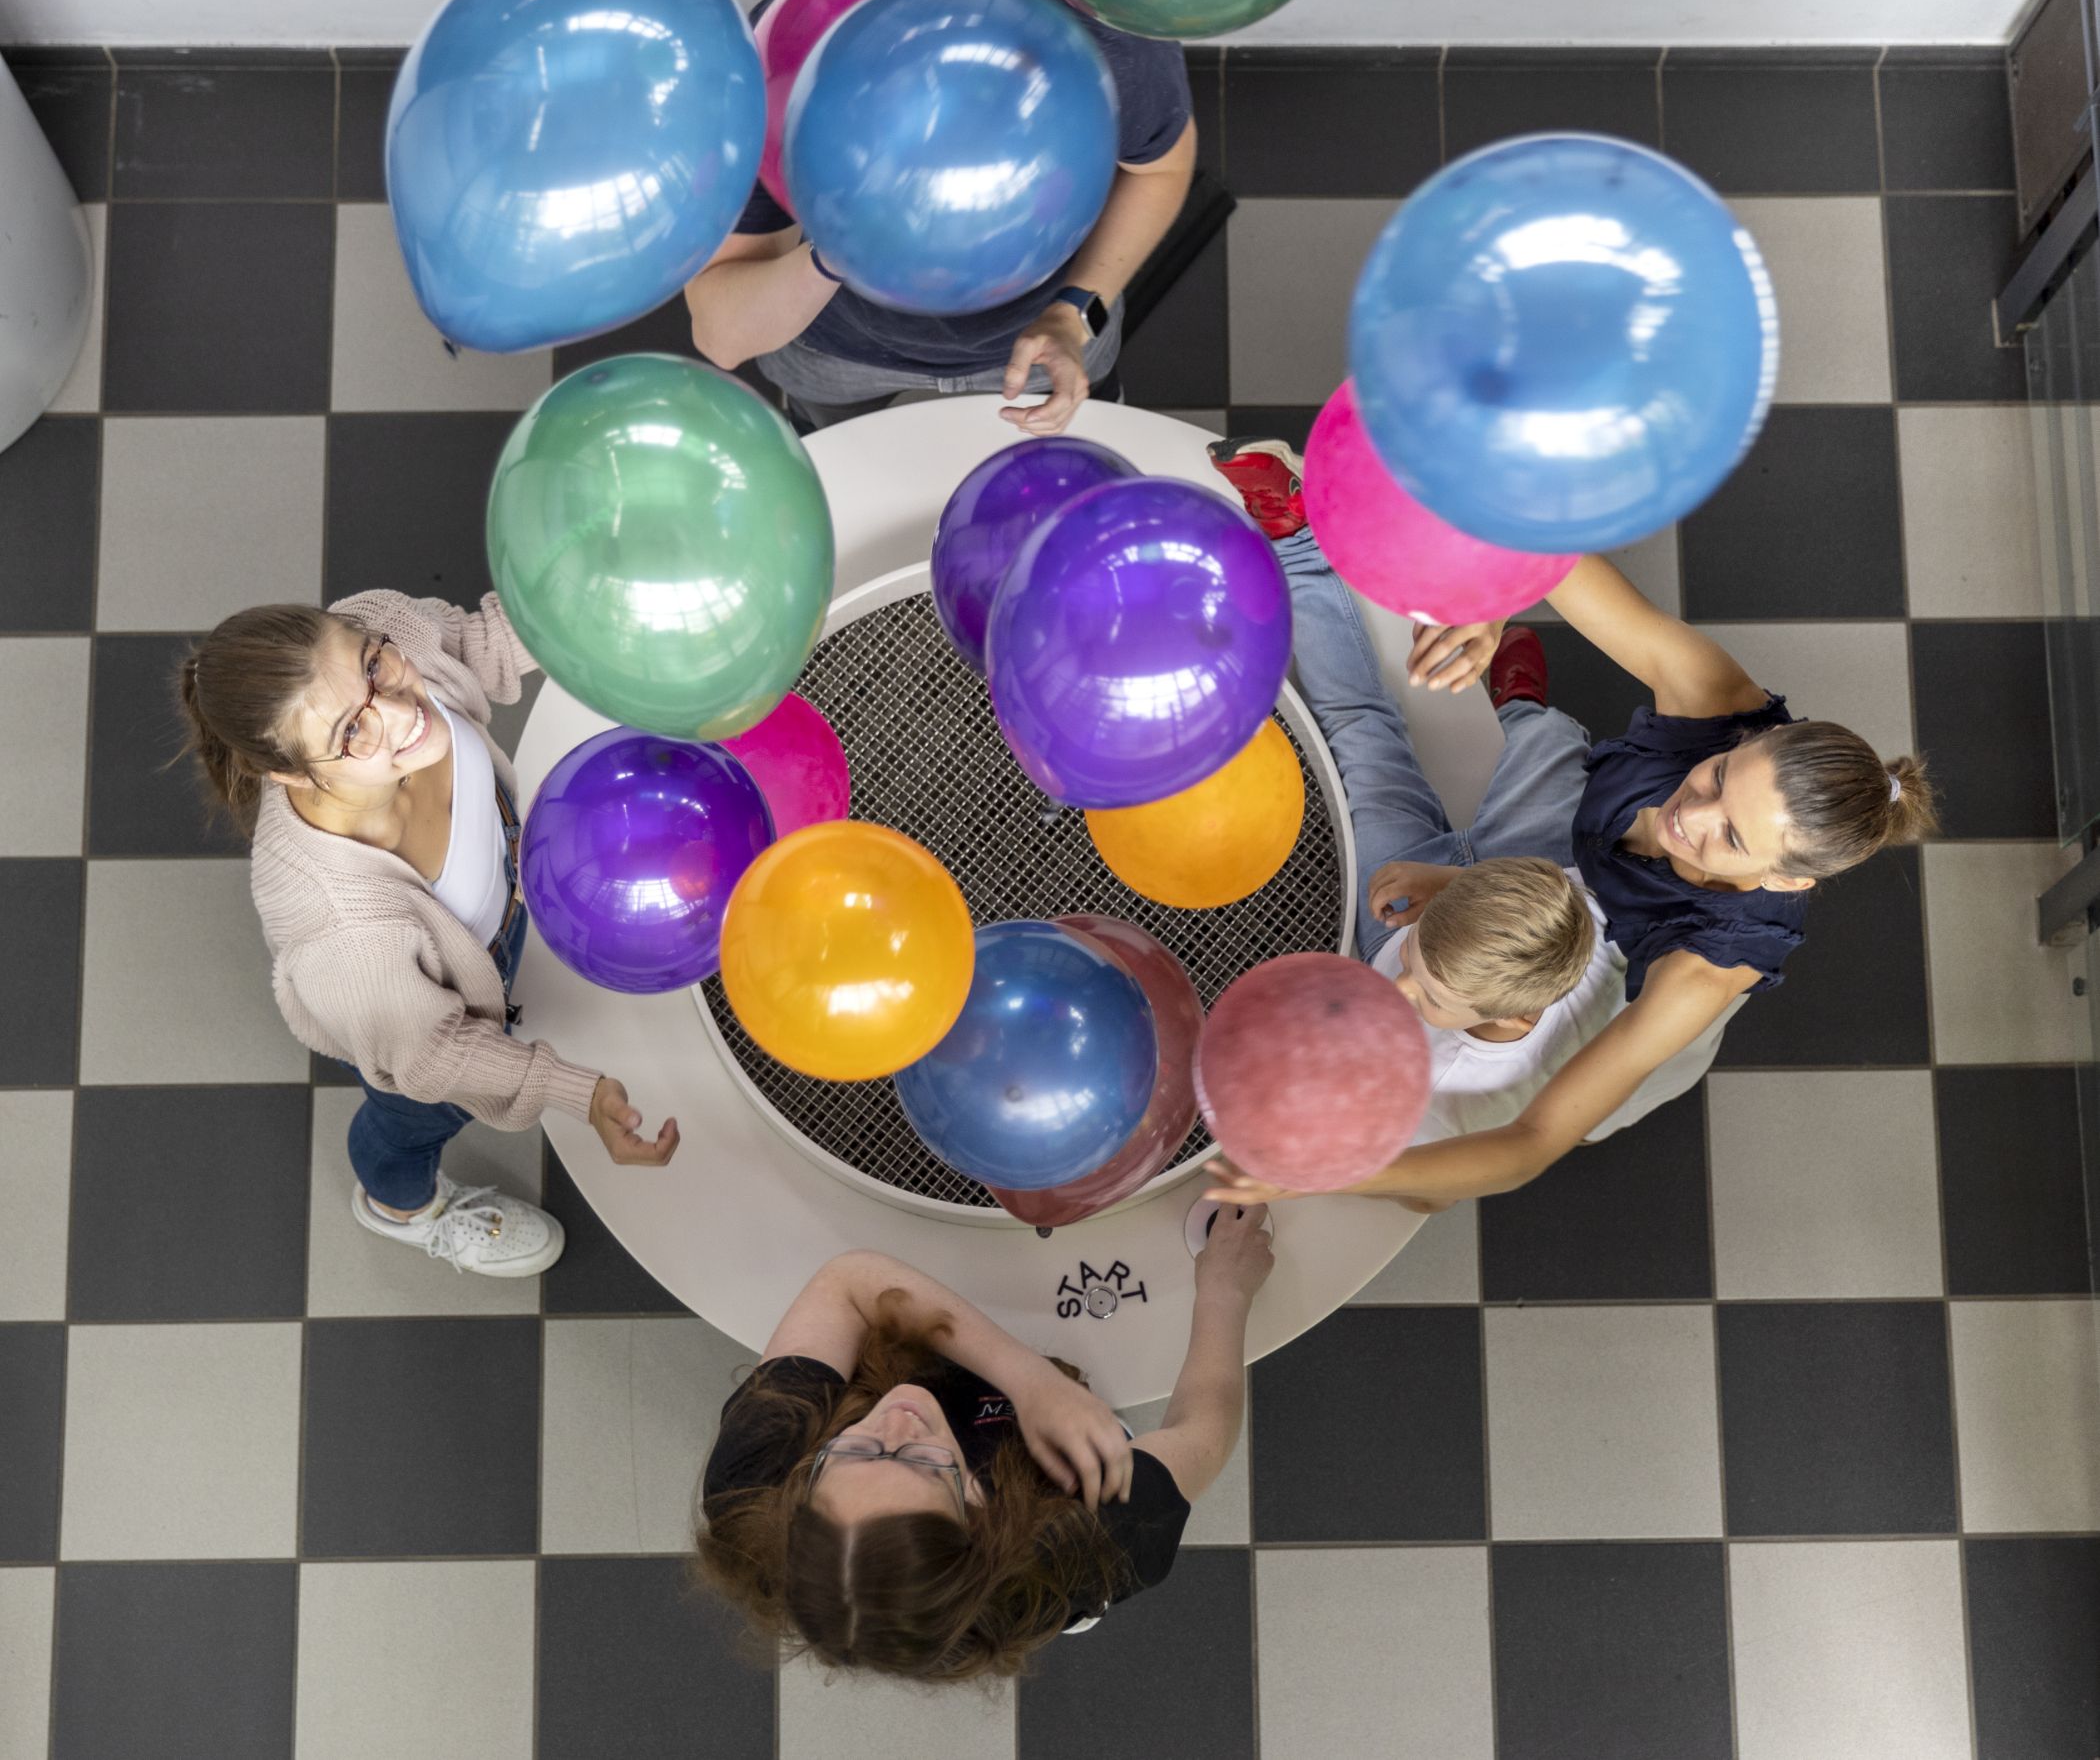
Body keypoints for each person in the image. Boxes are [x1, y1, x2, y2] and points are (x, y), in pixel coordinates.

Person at [1203, 438, 1938, 1209]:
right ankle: (1521, 705)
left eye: (1732, 838)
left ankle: (1525, 709)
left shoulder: (1706, 968)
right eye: (1717, 777)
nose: (1686, 816)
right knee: (1537, 749)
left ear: (1787, 878)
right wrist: (1494, 599)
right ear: (1749, 734)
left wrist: (1332, 1175)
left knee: (1451, 763)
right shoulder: (1717, 700)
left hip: (1598, 969)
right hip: (1552, 878)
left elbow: (1528, 1143)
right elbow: (1542, 541)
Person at [175, 590, 679, 1278]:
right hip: (408, 1035)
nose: (402, 714)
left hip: (487, 932)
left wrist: (595, 612)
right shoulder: (344, 932)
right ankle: (398, 1208)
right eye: (352, 732)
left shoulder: (389, 629)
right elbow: (435, 1055)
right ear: (288, 772)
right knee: (412, 1124)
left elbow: (473, 642)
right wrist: (580, 1094)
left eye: (374, 666)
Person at [695, 1210, 1272, 1681]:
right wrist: (1225, 1291)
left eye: (851, 1452)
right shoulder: (1085, 1548)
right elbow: (1201, 1430)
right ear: (977, 1508)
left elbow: (848, 1280)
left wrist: (1030, 1380)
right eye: (921, 1464)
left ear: (804, 1483)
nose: (896, 1418)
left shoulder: (751, 1483)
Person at [686, 0, 1197, 435]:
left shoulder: (1099, 46)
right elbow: (722, 337)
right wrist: (837, 254)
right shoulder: (763, 77)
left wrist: (1073, 314)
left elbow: (1160, 169)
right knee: (839, 466)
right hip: (840, 353)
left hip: (1044, 335)